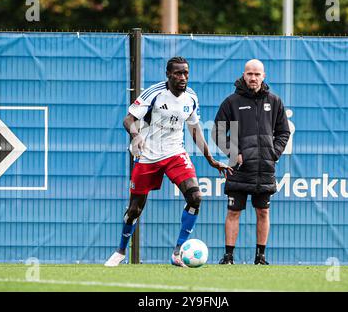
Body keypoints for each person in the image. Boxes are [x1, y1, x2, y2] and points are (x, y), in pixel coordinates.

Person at [104, 56, 232, 267]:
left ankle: (178, 252)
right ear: (168, 74)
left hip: (175, 153)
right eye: (178, 73)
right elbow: (128, 119)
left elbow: (194, 129)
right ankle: (120, 251)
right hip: (147, 155)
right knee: (135, 209)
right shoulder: (154, 93)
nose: (183, 77)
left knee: (195, 196)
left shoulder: (191, 97)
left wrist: (211, 159)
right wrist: (136, 135)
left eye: (186, 73)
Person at [212, 59, 290, 265]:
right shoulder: (232, 101)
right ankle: (228, 257)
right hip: (239, 169)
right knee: (233, 211)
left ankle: (260, 257)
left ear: (263, 76)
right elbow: (218, 132)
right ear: (243, 75)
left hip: (264, 167)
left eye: (257, 74)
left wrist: (274, 153)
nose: (253, 78)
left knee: (263, 211)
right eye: (249, 74)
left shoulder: (274, 101)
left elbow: (283, 132)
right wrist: (234, 152)